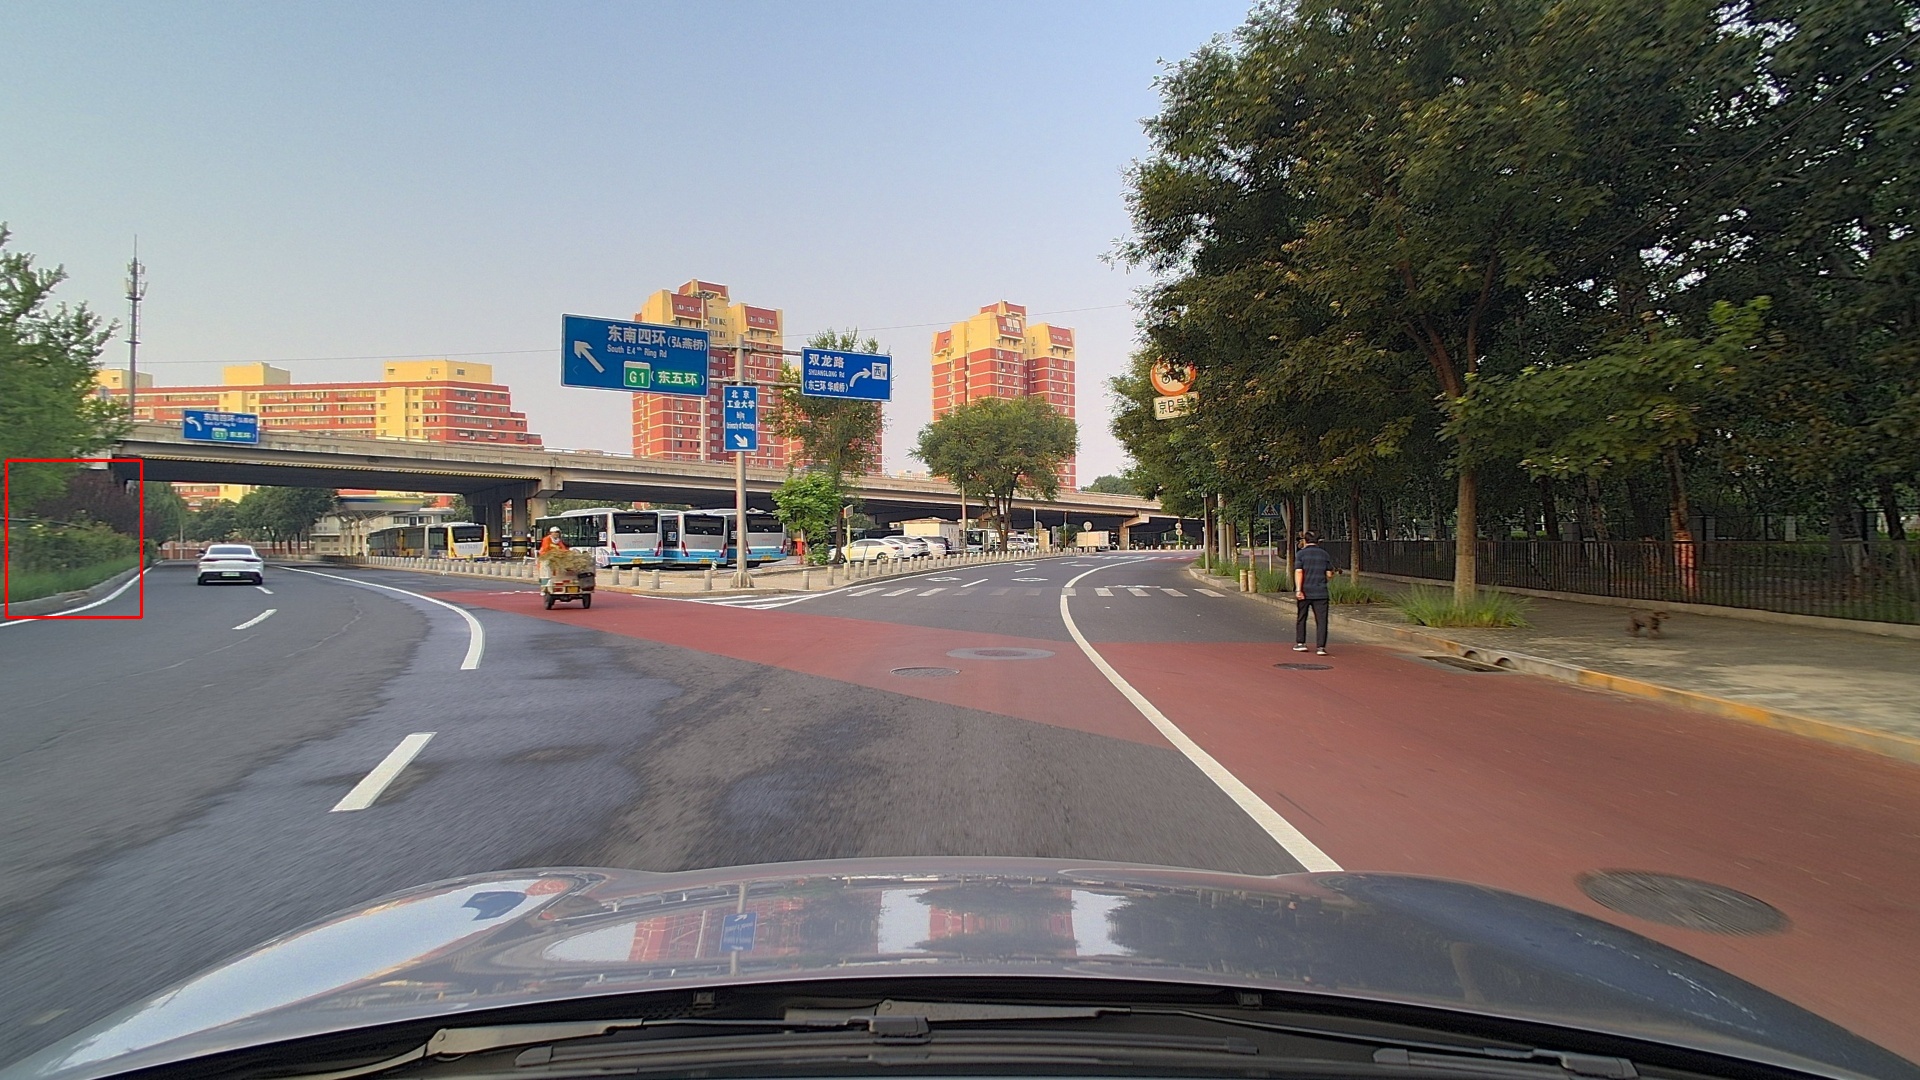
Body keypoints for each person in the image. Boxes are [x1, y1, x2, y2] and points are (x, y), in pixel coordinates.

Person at [1293, 530, 1332, 656]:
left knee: (1302, 617)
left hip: (1305, 591)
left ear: (1305, 540)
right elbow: (1329, 574)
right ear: (1318, 541)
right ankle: (1321, 647)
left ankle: (1301, 643)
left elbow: (1299, 571)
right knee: (1322, 620)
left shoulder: (1301, 554)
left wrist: (1298, 589)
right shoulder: (1324, 554)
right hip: (1321, 592)